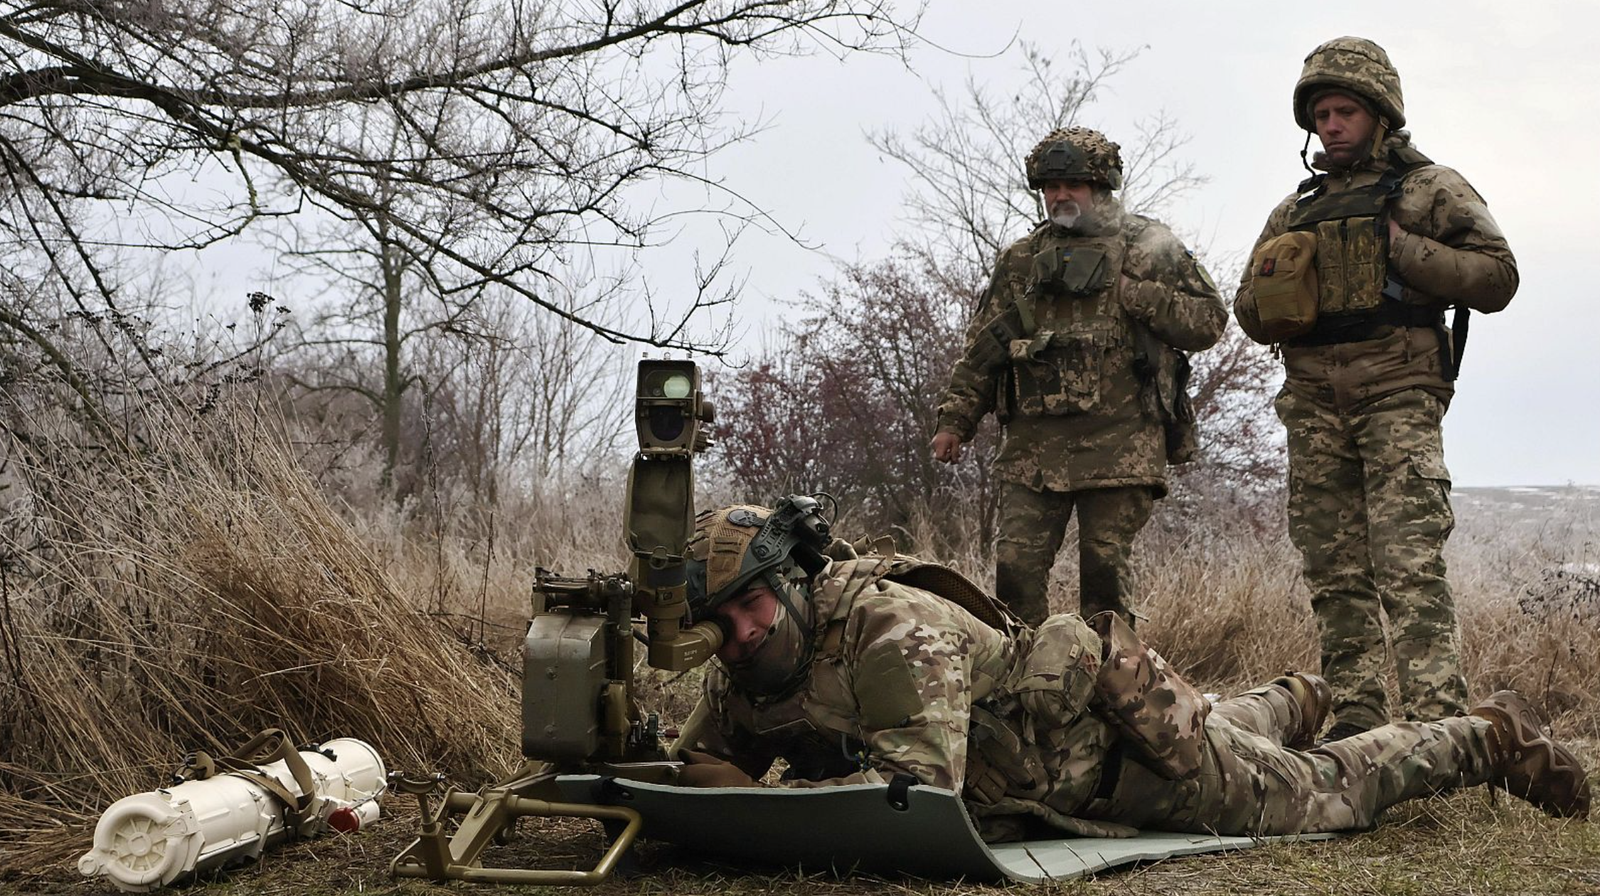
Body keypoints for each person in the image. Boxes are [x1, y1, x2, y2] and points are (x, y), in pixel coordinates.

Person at [670, 500, 1589, 842]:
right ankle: (1293, 698)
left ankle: (1489, 734)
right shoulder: (744, 665)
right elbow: (704, 770)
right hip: (1067, 763)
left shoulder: (888, 635)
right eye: (723, 623)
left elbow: (914, 802)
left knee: (1334, 792)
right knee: (1246, 732)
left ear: (792, 586)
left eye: (753, 608)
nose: (742, 634)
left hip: (1126, 766)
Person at [1232, 37, 1518, 741]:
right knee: (1333, 570)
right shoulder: (1295, 211)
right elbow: (1246, 310)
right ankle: (1359, 723)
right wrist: (1283, 285)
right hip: (1312, 405)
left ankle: (1436, 730)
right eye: (1321, 114)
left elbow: (1498, 277)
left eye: (1345, 111)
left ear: (1380, 114)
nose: (1330, 125)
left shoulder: (1429, 188)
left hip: (1398, 393)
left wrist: (1405, 251)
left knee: (1408, 564)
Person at [932, 127, 1226, 627]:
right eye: (1050, 187)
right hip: (1033, 449)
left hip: (1122, 444)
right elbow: (984, 350)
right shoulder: (1023, 260)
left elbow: (1209, 322)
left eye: (1072, 184)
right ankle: (1023, 691)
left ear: (1101, 186)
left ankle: (1111, 694)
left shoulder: (1148, 247)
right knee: (1014, 574)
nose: (1059, 196)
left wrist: (1141, 296)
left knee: (1104, 581)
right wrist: (954, 421)